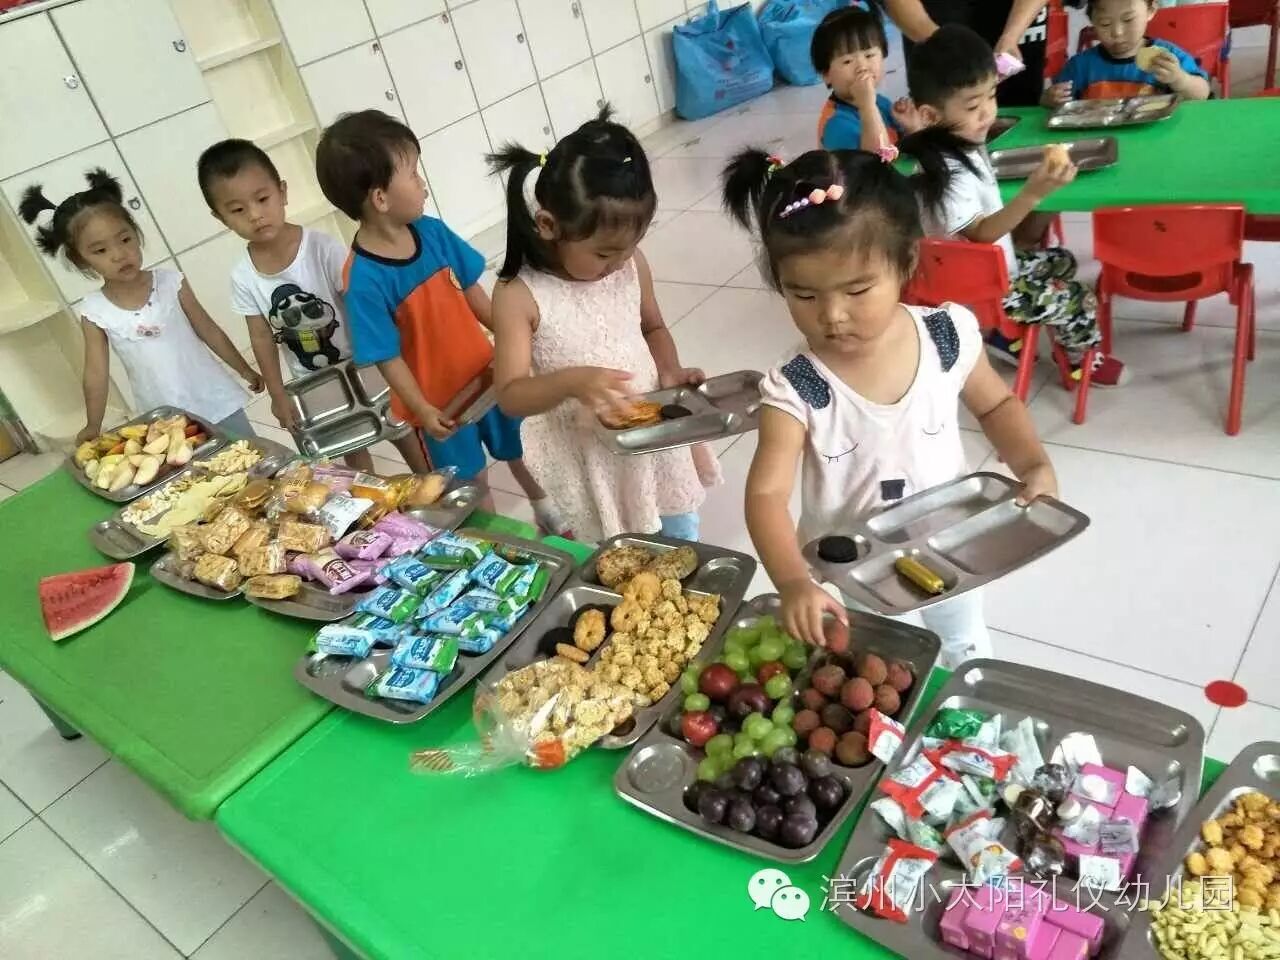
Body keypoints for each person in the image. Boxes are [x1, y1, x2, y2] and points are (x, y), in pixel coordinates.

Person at [722, 146, 1057, 666]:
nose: (832, 315)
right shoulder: (797, 387)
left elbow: (996, 406)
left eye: (857, 290)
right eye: (803, 296)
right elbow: (766, 494)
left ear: (906, 263)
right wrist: (791, 582)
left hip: (952, 545)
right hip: (857, 568)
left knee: (964, 645)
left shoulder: (946, 337)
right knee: (888, 664)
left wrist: (1033, 463)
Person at [313, 111, 560, 530]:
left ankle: (549, 512)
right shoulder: (363, 280)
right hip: (442, 409)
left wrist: (516, 340)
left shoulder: (433, 232)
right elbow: (387, 357)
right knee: (471, 484)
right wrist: (423, 410)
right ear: (380, 198)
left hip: (490, 376)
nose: (422, 182)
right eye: (412, 173)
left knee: (522, 448)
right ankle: (500, 542)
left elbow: (476, 297)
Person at [487, 106, 720, 543]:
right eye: (604, 253)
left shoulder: (630, 264)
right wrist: (572, 382)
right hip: (590, 453)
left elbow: (653, 328)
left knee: (680, 536)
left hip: (652, 439)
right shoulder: (519, 295)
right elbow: (511, 395)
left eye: (631, 247)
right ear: (549, 225)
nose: (619, 263)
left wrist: (669, 371)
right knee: (616, 549)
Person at [907, 25, 1128, 387]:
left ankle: (1005, 335)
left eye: (991, 96)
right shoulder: (947, 175)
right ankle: (1081, 363)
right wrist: (1032, 194)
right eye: (973, 106)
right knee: (1079, 297)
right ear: (931, 116)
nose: (987, 113)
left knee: (1062, 260)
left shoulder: (953, 142)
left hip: (983, 272)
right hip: (982, 291)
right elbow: (981, 233)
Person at [197, 138, 430, 474]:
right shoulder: (243, 276)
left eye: (262, 199)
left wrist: (393, 348)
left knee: (400, 428)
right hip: (314, 380)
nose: (255, 215)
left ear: (282, 192)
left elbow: (360, 300)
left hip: (365, 361)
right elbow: (261, 337)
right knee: (350, 446)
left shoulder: (321, 247)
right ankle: (373, 499)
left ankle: (432, 484)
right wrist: (277, 394)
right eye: (237, 210)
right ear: (220, 218)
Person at [18, 169, 261, 443]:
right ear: (81, 260)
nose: (119, 254)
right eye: (100, 250)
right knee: (189, 466)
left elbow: (209, 330)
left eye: (125, 240)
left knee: (248, 452)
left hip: (214, 396)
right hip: (164, 417)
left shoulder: (171, 282)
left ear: (136, 234)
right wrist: (93, 424)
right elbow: (96, 373)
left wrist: (244, 369)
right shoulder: (95, 311)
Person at [1043, 0, 1210, 105]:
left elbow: (1202, 94)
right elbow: (1050, 101)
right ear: (1092, 20)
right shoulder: (1080, 66)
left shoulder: (1168, 57)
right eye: (1105, 23)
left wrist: (1179, 79)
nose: (1117, 32)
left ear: (1151, 10)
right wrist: (1050, 99)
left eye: (1128, 20)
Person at [884, 0, 1050, 106]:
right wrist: (942, 44)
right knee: (950, 107)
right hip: (936, 17)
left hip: (1013, 16)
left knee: (1021, 102)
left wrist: (1012, 36)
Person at [811, 5, 916, 152]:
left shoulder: (881, 102)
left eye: (869, 55)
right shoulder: (836, 124)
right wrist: (867, 107)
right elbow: (879, 158)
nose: (862, 67)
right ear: (826, 74)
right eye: (847, 61)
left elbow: (903, 152)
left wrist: (911, 128)